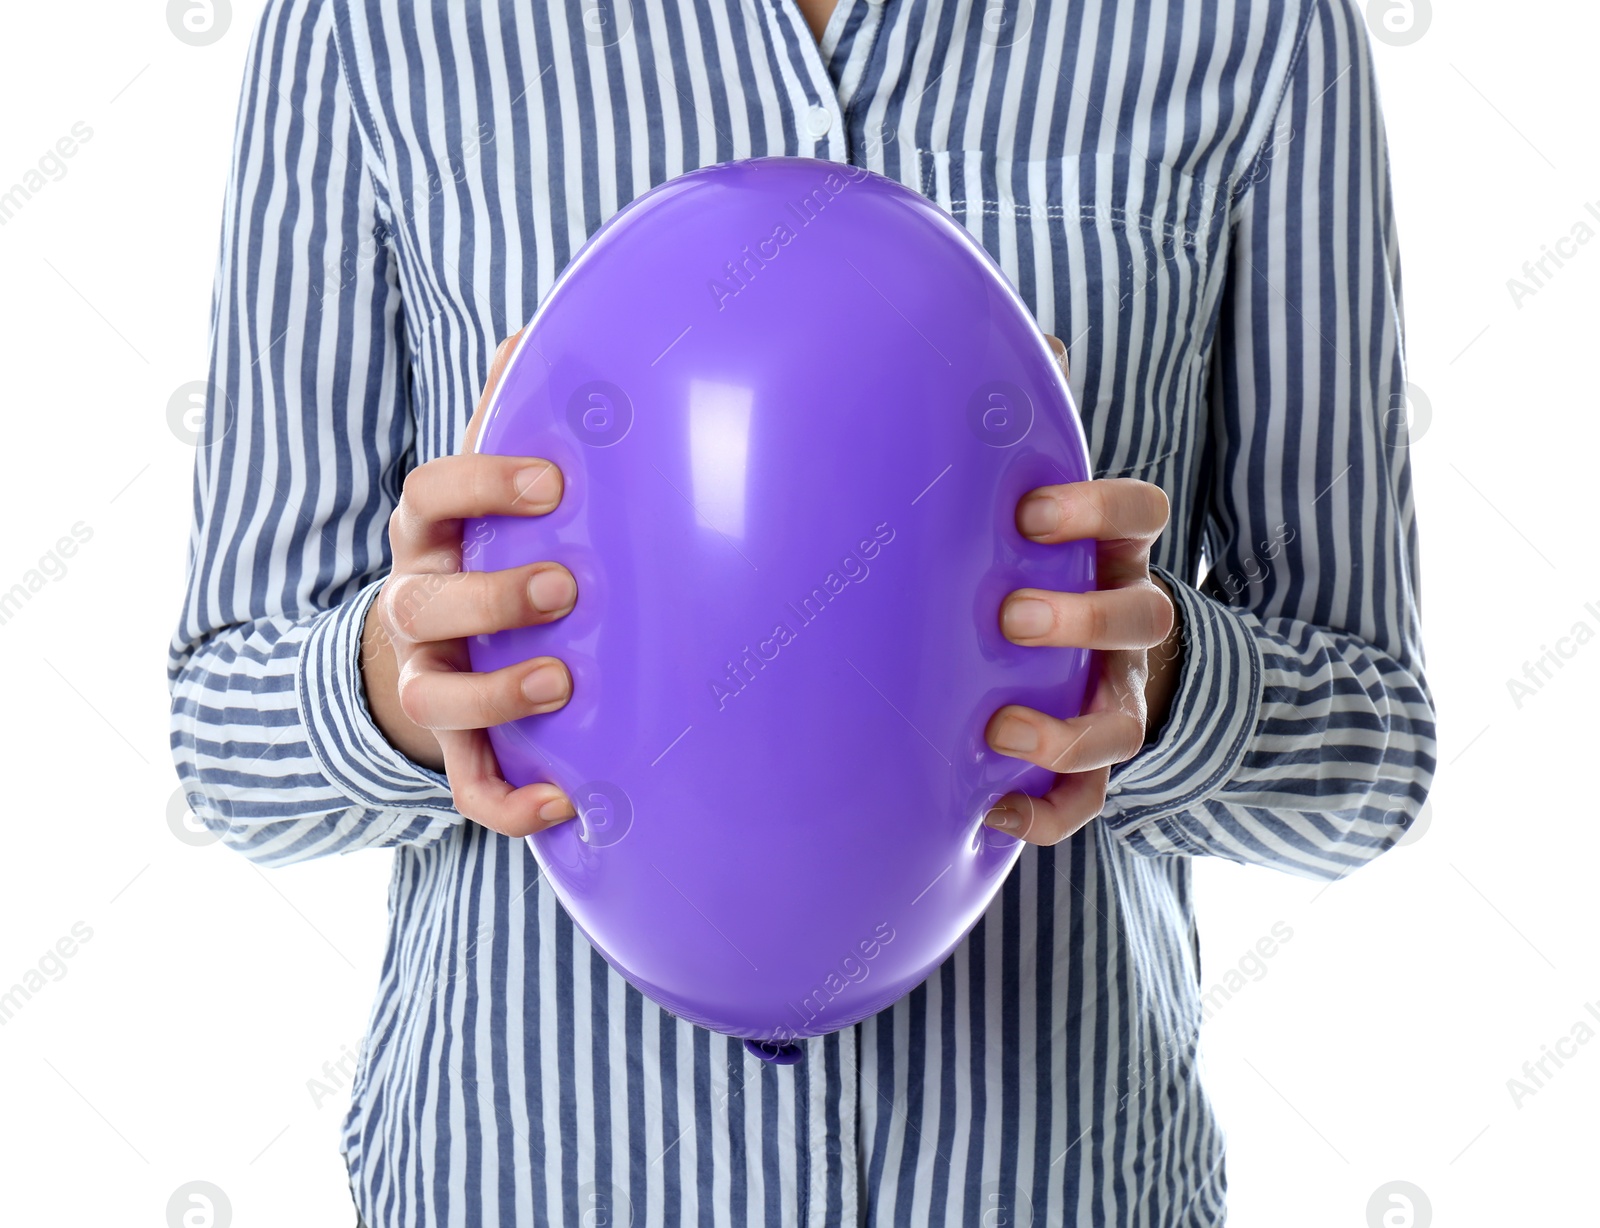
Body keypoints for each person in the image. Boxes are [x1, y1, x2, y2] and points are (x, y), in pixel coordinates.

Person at [167, 0, 1435, 1222]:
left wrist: (1152, 686)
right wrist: (403, 676)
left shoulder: (1257, 26)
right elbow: (223, 740)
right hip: (526, 1174)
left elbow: (1377, 760)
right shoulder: (371, 23)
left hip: (1054, 1178)